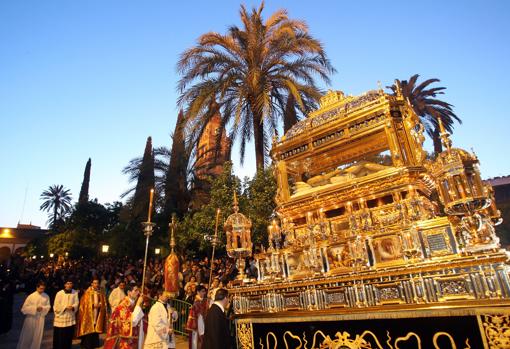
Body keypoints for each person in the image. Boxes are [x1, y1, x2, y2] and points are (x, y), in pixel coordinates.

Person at [103, 284, 144, 349]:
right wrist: (138, 305)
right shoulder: (122, 306)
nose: (138, 292)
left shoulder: (133, 303)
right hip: (125, 341)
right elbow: (132, 322)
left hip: (134, 338)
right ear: (129, 292)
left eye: (138, 290)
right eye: (135, 290)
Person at [16, 280, 51, 349]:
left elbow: (48, 306)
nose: (42, 290)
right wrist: (35, 308)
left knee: (37, 337)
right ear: (37, 288)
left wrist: (43, 308)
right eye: (41, 288)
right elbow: (24, 309)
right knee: (28, 336)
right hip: (31, 319)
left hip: (40, 319)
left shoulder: (46, 296)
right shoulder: (31, 296)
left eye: (43, 289)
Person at [76, 278, 107, 349]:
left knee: (95, 326)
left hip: (97, 312)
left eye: (97, 283)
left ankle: (94, 343)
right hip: (89, 313)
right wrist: (92, 305)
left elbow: (104, 302)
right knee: (89, 327)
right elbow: (84, 303)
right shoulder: (88, 292)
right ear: (92, 284)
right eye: (94, 283)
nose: (96, 284)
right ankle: (87, 344)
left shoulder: (100, 292)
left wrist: (100, 304)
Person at [53, 279, 79, 349]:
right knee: (60, 335)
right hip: (62, 316)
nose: (69, 285)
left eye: (70, 283)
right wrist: (65, 307)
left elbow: (77, 303)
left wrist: (73, 307)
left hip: (70, 316)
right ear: (65, 285)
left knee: (69, 334)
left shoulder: (75, 292)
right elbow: (56, 305)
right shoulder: (59, 293)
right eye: (67, 283)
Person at [186, 285, 208, 349]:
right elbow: (197, 312)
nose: (204, 293)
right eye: (202, 291)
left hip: (203, 323)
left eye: (204, 291)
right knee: (196, 341)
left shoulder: (204, 300)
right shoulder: (196, 302)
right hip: (197, 324)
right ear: (198, 292)